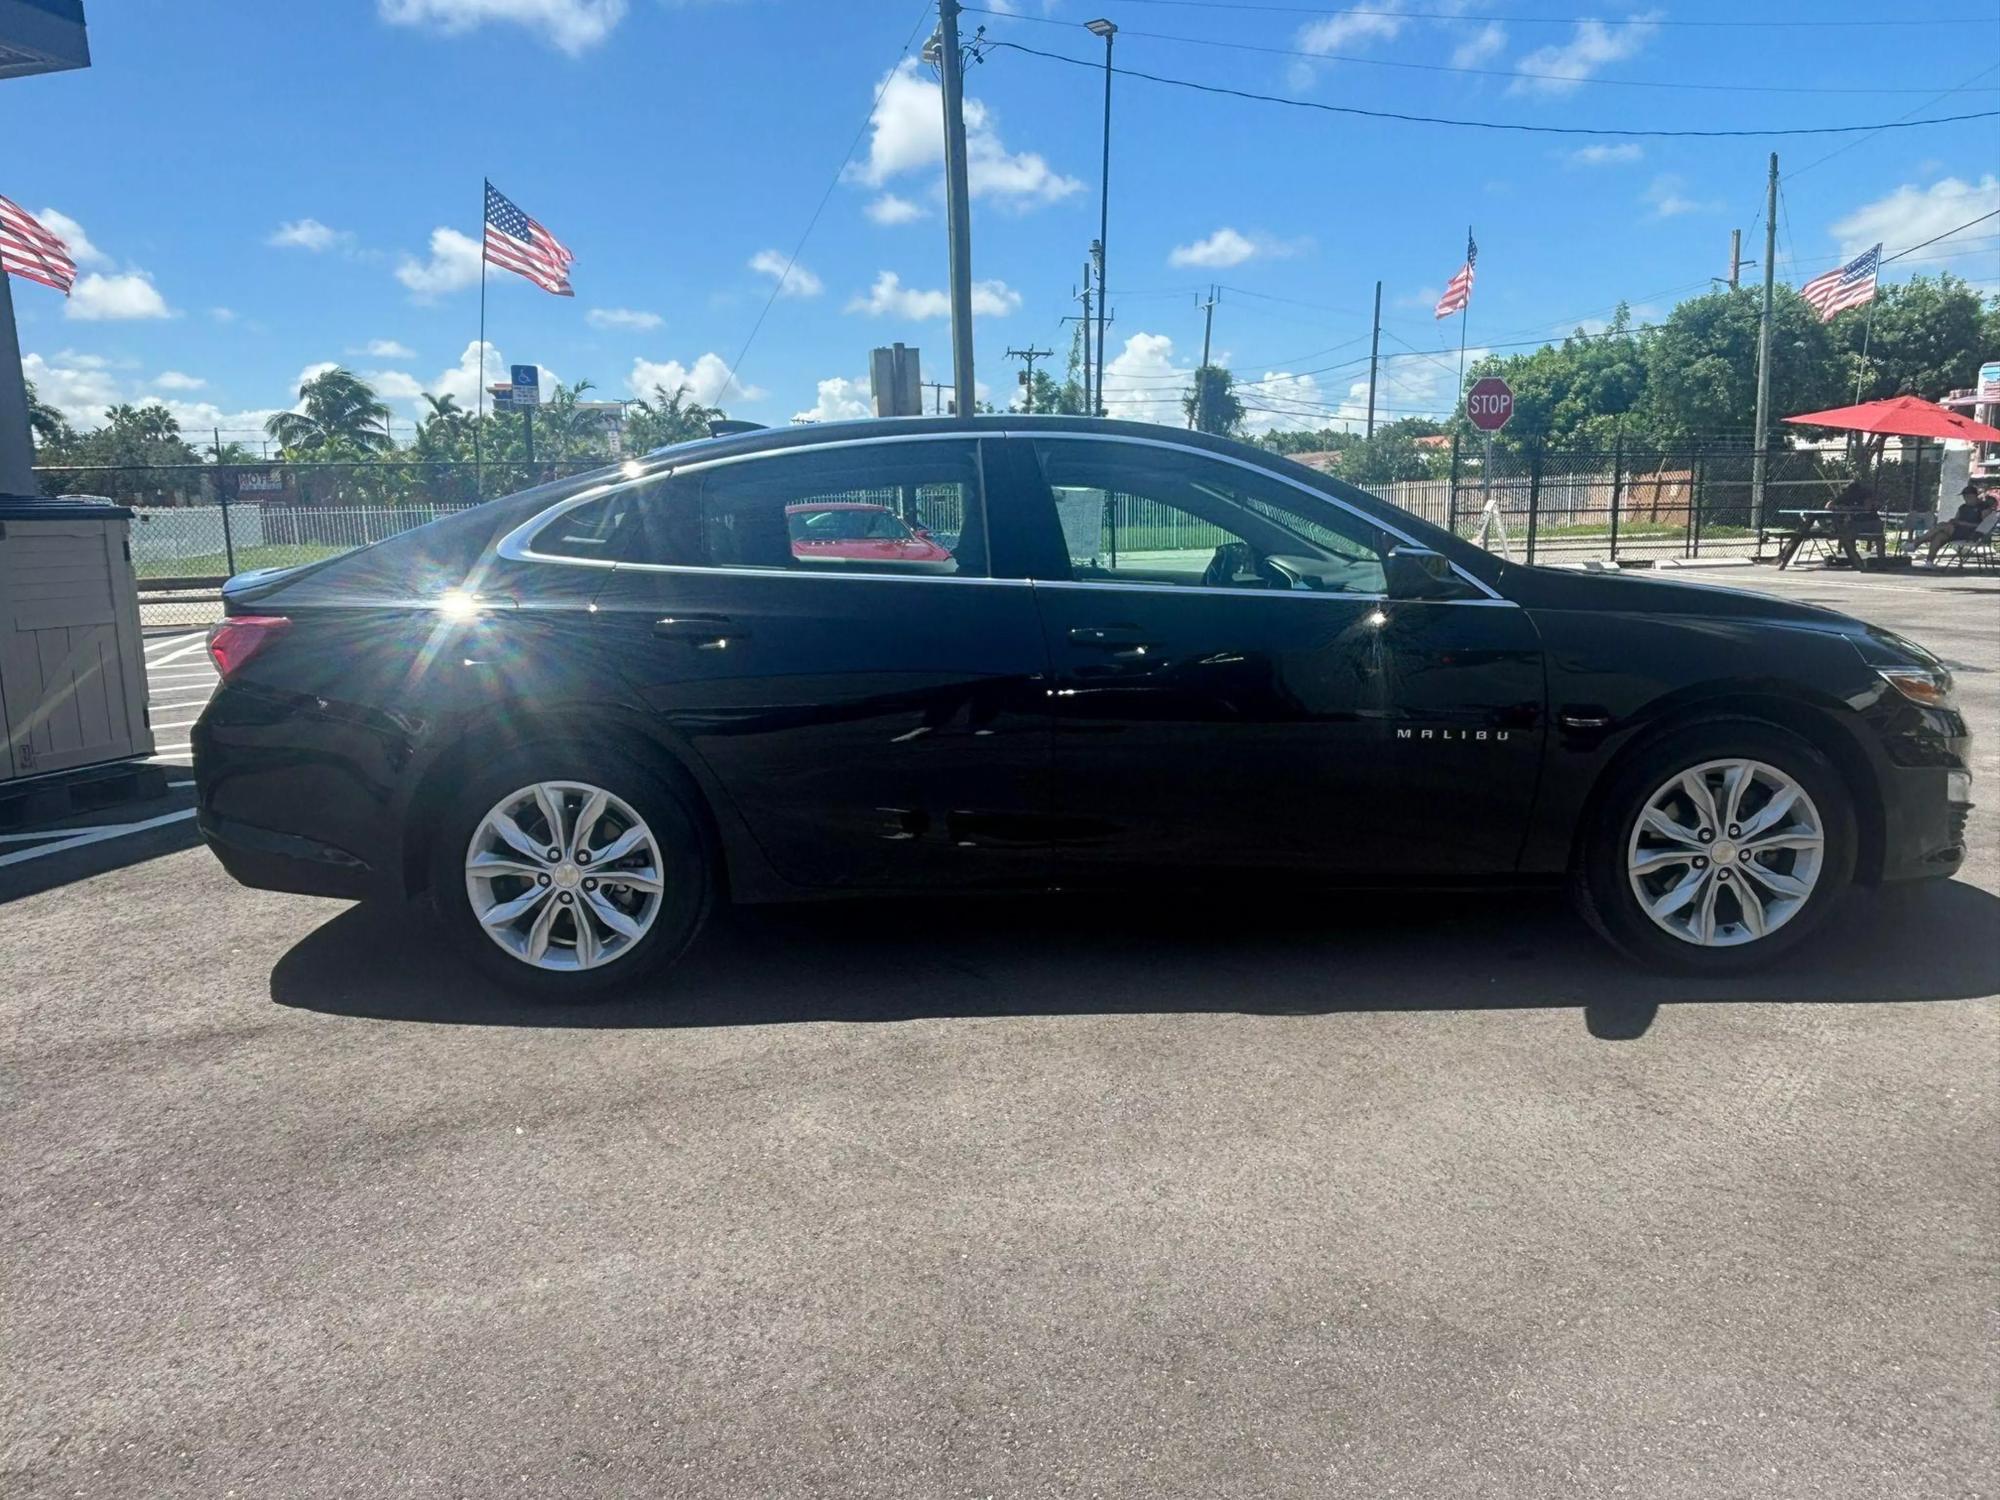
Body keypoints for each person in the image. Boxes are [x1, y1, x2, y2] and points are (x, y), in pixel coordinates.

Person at [1777, 478, 1879, 569]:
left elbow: (1867, 508)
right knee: (1844, 530)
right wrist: (1837, 506)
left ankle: (1855, 559)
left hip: (1870, 523)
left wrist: (1849, 508)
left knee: (1846, 531)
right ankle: (1853, 558)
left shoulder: (1865, 495)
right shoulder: (1846, 496)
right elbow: (1828, 505)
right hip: (1854, 525)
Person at [1917, 481, 1998, 565]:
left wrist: (1961, 523)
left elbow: (1984, 526)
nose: (1965, 498)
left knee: (1942, 525)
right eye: (1964, 497)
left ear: (1974, 496)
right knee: (1939, 535)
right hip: (1957, 531)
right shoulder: (1962, 507)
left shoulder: (1984, 508)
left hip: (1972, 532)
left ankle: (1917, 543)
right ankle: (1929, 561)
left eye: (1968, 496)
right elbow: (1957, 519)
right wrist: (1954, 521)